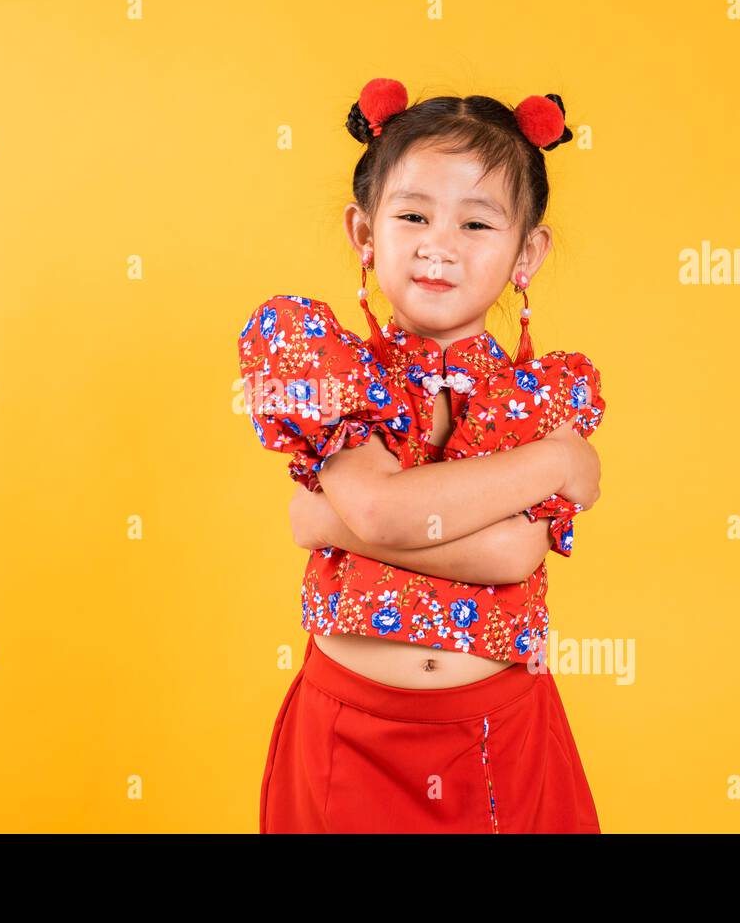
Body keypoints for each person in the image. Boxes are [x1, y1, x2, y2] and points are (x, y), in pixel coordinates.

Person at [236, 77, 606, 833]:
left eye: (477, 224)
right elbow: (379, 507)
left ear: (526, 252)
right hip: (350, 734)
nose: (439, 244)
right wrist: (559, 465)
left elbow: (510, 553)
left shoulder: (544, 394)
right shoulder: (326, 362)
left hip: (500, 734)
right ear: (365, 234)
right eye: (412, 215)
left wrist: (329, 521)